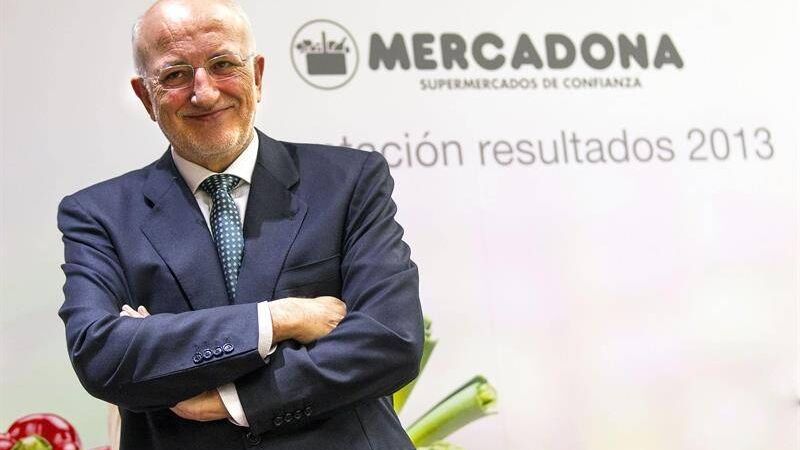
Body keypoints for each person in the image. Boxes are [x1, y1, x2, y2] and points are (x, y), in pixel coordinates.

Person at [56, 0, 423, 448]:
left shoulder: (349, 181)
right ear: (144, 96)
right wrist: (280, 318)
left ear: (258, 75)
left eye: (223, 64)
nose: (205, 92)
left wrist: (236, 398)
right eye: (175, 75)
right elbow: (103, 357)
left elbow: (391, 339)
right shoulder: (98, 215)